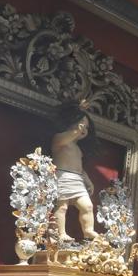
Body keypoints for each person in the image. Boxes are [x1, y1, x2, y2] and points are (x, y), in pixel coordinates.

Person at [50, 101, 98, 243]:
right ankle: (61, 232)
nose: (83, 130)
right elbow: (68, 137)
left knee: (88, 206)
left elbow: (80, 168)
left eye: (86, 128)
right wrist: (76, 131)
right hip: (62, 176)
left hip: (77, 179)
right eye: (81, 125)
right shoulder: (59, 139)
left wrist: (87, 180)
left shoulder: (78, 149)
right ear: (70, 122)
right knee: (62, 207)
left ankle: (88, 230)